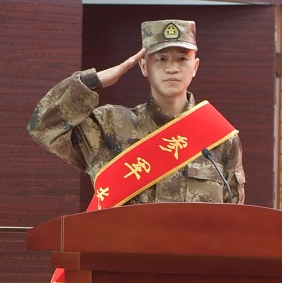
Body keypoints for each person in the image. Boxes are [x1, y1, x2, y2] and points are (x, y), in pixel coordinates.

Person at [28, 19, 245, 208]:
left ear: (195, 67)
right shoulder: (109, 125)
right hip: (126, 245)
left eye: (182, 59)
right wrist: (94, 80)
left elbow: (232, 218)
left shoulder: (220, 139)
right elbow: (43, 127)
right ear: (143, 66)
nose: (172, 68)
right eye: (161, 59)